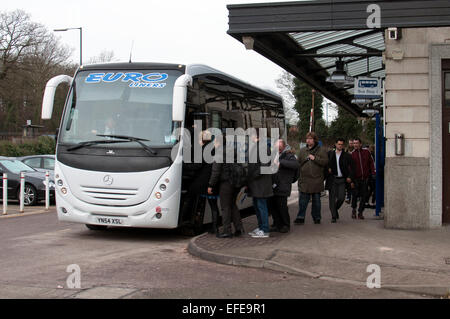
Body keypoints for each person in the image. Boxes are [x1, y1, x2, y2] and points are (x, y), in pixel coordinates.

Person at [180, 131, 220, 234]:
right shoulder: (214, 149)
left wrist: (183, 166)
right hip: (212, 181)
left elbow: (197, 166)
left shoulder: (203, 150)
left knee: (190, 198)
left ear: (202, 140)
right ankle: (215, 227)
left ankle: (186, 222)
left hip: (202, 181)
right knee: (213, 205)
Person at [208, 136, 245, 238]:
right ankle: (239, 228)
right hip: (236, 182)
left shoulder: (219, 153)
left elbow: (215, 171)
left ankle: (227, 231)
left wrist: (211, 184)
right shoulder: (232, 150)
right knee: (233, 205)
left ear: (218, 142)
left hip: (226, 183)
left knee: (225, 207)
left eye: (214, 141)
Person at [294, 132, 328, 225]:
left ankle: (317, 217)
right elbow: (298, 163)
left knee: (316, 202)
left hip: (317, 180)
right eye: (307, 139)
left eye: (310, 138)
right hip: (304, 180)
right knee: (302, 201)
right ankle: (300, 217)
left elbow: (325, 162)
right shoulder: (302, 151)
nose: (308, 140)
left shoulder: (321, 150)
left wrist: (315, 158)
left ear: (315, 140)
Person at [247, 131, 274, 238]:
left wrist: (253, 175)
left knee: (261, 207)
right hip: (255, 183)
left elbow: (265, 165)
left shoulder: (263, 147)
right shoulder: (256, 147)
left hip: (261, 183)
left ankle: (265, 230)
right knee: (257, 207)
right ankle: (261, 227)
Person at [269, 139, 299, 233]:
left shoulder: (289, 155)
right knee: (273, 206)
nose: (276, 147)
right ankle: (277, 224)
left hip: (283, 185)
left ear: (283, 146)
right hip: (274, 185)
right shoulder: (274, 155)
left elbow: (295, 165)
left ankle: (286, 225)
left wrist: (280, 163)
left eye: (278, 145)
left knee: (282, 207)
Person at [327, 138, 355, 223]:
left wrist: (350, 177)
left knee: (341, 197)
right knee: (332, 198)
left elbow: (353, 167)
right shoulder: (330, 154)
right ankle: (333, 216)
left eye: (342, 144)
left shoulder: (347, 155)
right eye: (339, 144)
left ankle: (334, 209)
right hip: (333, 179)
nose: (340, 146)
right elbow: (324, 163)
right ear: (335, 144)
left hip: (342, 179)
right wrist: (328, 169)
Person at [351, 138, 376, 219]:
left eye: (357, 143)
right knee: (354, 196)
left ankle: (360, 212)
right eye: (354, 143)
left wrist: (373, 173)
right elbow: (349, 167)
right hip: (355, 179)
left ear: (360, 144)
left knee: (364, 196)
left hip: (365, 178)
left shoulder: (366, 152)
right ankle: (354, 209)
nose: (355, 145)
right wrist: (351, 179)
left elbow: (371, 163)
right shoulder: (351, 154)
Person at [345, 139, 355, 204]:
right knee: (349, 184)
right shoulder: (346, 150)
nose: (351, 144)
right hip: (348, 169)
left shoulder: (355, 150)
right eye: (350, 143)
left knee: (354, 184)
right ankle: (348, 197)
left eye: (352, 143)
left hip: (354, 168)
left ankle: (354, 197)